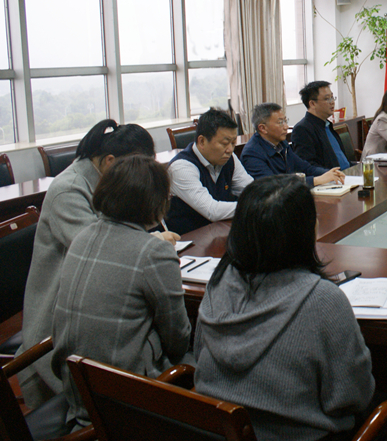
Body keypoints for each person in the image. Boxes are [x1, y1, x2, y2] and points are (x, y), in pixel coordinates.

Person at [194, 175, 375, 441]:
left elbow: (198, 354)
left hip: (218, 429)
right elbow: (351, 397)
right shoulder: (323, 299)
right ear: (306, 231)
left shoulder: (219, 281)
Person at [18, 119, 160, 409]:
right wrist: (150, 242)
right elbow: (101, 250)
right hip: (58, 318)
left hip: (96, 297)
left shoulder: (106, 179)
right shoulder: (68, 190)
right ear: (110, 161)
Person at [51, 155, 192, 429]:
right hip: (125, 397)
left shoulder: (82, 237)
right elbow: (178, 339)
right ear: (156, 202)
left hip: (76, 386)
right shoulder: (154, 251)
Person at [166, 108, 253, 235]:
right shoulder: (181, 168)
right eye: (225, 143)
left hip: (219, 232)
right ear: (202, 141)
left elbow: (251, 190)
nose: (230, 149)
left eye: (233, 143)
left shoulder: (229, 158)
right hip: (189, 240)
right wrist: (255, 205)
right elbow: (212, 211)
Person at [241, 103, 345, 187]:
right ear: (263, 128)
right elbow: (272, 185)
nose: (286, 126)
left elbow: (306, 168)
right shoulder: (252, 154)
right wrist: (315, 180)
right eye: (280, 122)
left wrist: (330, 173)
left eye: (285, 121)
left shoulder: (282, 144)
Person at [292, 80, 354, 170]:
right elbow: (307, 166)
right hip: (332, 177)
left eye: (332, 97)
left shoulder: (327, 125)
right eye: (327, 99)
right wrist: (333, 174)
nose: (332, 102)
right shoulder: (302, 129)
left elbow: (344, 161)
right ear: (312, 104)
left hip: (348, 173)